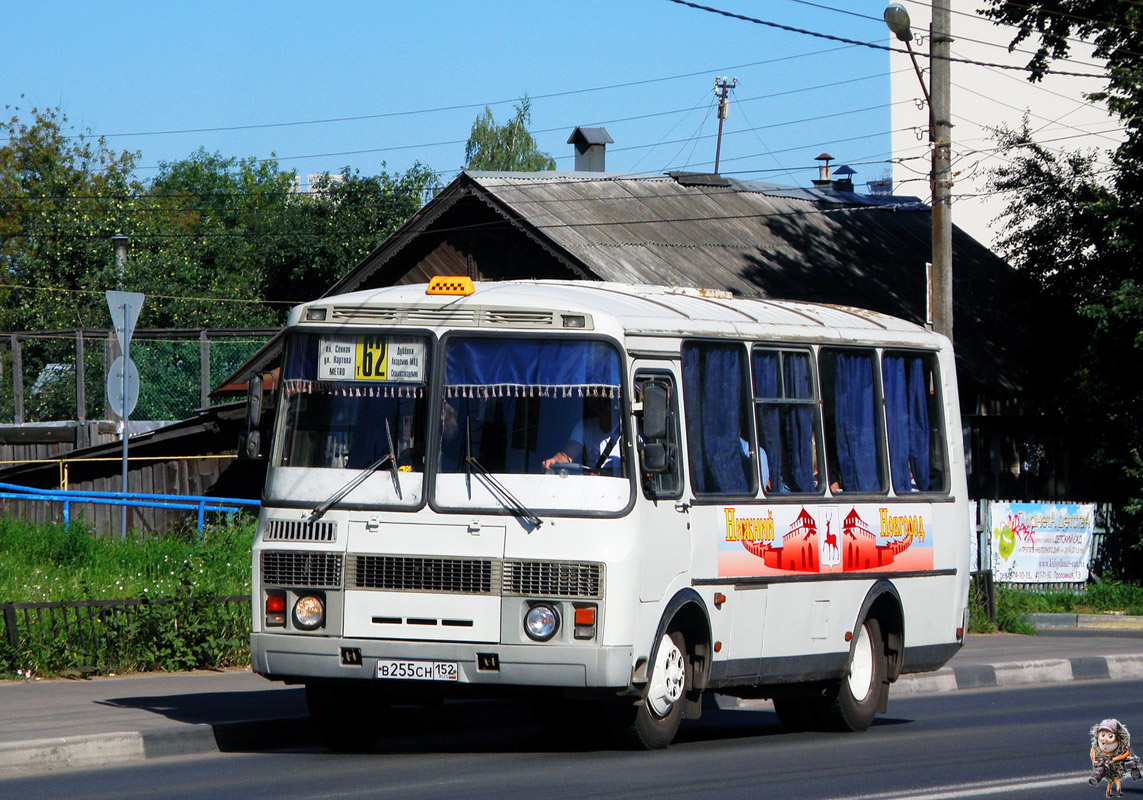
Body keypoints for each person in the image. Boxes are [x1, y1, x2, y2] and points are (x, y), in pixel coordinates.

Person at [542, 400, 621, 474]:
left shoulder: (625, 429)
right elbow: (569, 453)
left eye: (607, 405)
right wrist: (555, 460)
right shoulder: (585, 426)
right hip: (589, 483)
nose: (604, 410)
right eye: (600, 407)